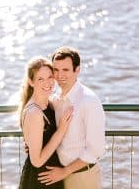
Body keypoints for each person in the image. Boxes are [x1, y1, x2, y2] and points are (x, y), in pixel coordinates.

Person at [37, 46, 106, 189]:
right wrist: (36, 144)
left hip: (83, 177)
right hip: (60, 174)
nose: (60, 75)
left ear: (77, 70)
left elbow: (96, 150)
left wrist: (65, 171)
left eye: (66, 70)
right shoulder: (56, 99)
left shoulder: (89, 101)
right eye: (56, 70)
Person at [18, 56, 73, 189]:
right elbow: (36, 161)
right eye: (40, 79)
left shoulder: (48, 103)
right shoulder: (35, 113)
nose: (47, 83)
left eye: (50, 77)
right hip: (41, 180)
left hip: (51, 176)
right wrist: (61, 131)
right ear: (31, 82)